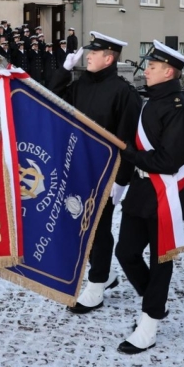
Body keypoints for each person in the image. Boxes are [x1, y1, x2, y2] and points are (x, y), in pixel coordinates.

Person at [114, 40, 184, 353]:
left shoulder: (181, 112)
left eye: (152, 67)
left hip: (166, 196)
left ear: (168, 72)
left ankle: (149, 324)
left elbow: (167, 162)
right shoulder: (149, 102)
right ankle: (155, 302)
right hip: (140, 193)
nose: (146, 71)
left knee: (161, 260)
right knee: (125, 252)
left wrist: (129, 152)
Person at [48, 33, 142, 314]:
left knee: (98, 229)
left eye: (93, 53)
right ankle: (104, 273)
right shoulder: (80, 84)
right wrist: (64, 70)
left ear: (109, 58)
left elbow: (128, 139)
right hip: (76, 165)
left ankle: (97, 284)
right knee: (79, 223)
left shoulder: (124, 92)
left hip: (105, 172)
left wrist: (121, 179)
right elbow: (50, 97)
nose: (87, 56)